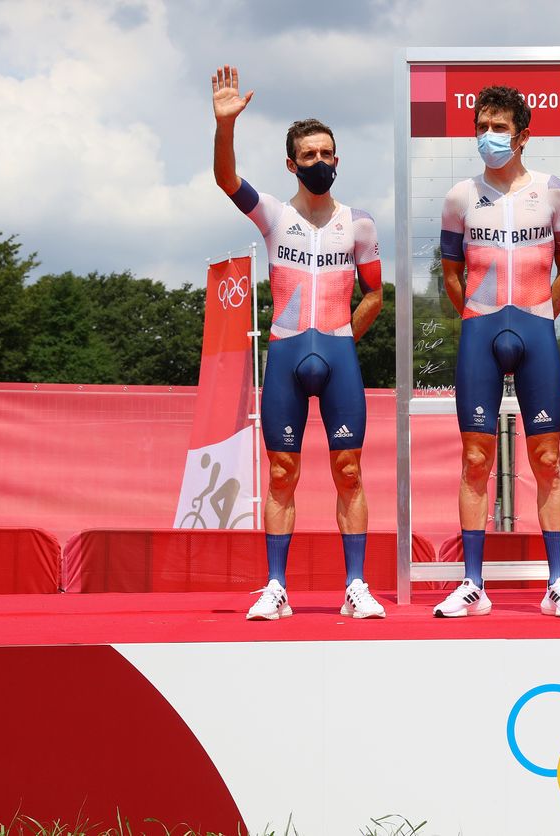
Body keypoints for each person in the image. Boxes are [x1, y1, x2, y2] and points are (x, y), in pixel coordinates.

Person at [211, 65, 386, 620]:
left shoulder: (359, 223)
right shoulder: (274, 215)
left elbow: (375, 294)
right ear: (291, 163)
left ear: (338, 159)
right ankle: (276, 587)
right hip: (286, 356)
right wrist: (225, 127)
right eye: (308, 156)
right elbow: (225, 179)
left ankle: (356, 586)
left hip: (337, 356)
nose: (319, 163)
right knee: (283, 474)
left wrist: (340, 341)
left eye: (326, 154)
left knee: (349, 471)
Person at [434, 85, 560, 617]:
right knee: (476, 459)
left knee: (547, 458)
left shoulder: (552, 191)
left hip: (535, 329)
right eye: (482, 126)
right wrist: (474, 316)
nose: (488, 137)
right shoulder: (459, 197)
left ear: (523, 135)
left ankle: (558, 582)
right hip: (481, 330)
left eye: (499, 128)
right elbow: (451, 271)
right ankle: (472, 584)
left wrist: (542, 310)